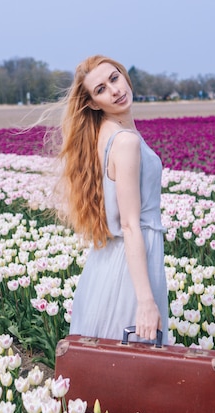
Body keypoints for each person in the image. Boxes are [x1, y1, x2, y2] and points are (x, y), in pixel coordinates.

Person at [52, 55, 168, 344]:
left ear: (124, 76)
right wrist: (145, 301)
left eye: (114, 78)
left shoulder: (102, 135)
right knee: (135, 364)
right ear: (92, 103)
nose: (115, 90)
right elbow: (130, 224)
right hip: (131, 267)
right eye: (101, 89)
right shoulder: (125, 142)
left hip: (106, 263)